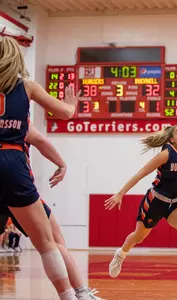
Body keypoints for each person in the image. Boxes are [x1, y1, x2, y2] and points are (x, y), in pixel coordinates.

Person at [104, 74, 177, 294]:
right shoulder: (166, 155)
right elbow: (140, 173)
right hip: (157, 200)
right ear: (171, 139)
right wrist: (120, 193)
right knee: (139, 236)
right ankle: (121, 254)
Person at [0, 36, 80, 300]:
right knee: (47, 243)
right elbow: (65, 114)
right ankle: (70, 295)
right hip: (11, 162)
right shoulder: (27, 87)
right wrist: (72, 103)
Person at [0, 123, 103, 299]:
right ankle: (80, 293)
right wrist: (61, 164)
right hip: (16, 184)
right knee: (54, 241)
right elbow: (41, 138)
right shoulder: (14, 113)